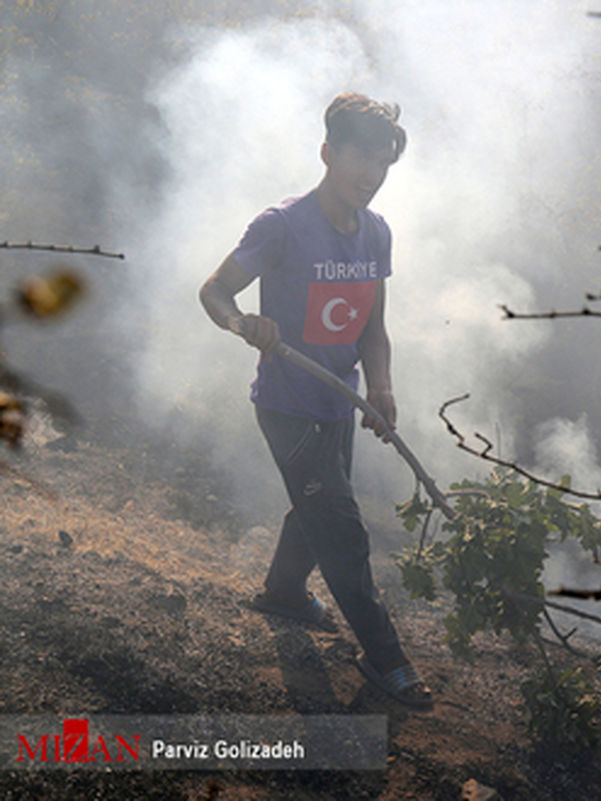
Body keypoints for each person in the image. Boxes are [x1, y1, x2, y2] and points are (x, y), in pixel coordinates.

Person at [199, 92, 432, 711]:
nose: (371, 176)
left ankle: (283, 594)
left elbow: (372, 327)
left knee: (315, 503)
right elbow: (215, 290)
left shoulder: (376, 232)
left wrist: (379, 386)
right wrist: (244, 323)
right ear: (329, 152)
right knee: (341, 527)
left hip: (340, 403)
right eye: (361, 158)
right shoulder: (282, 225)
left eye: (383, 164)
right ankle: (388, 660)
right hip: (287, 403)